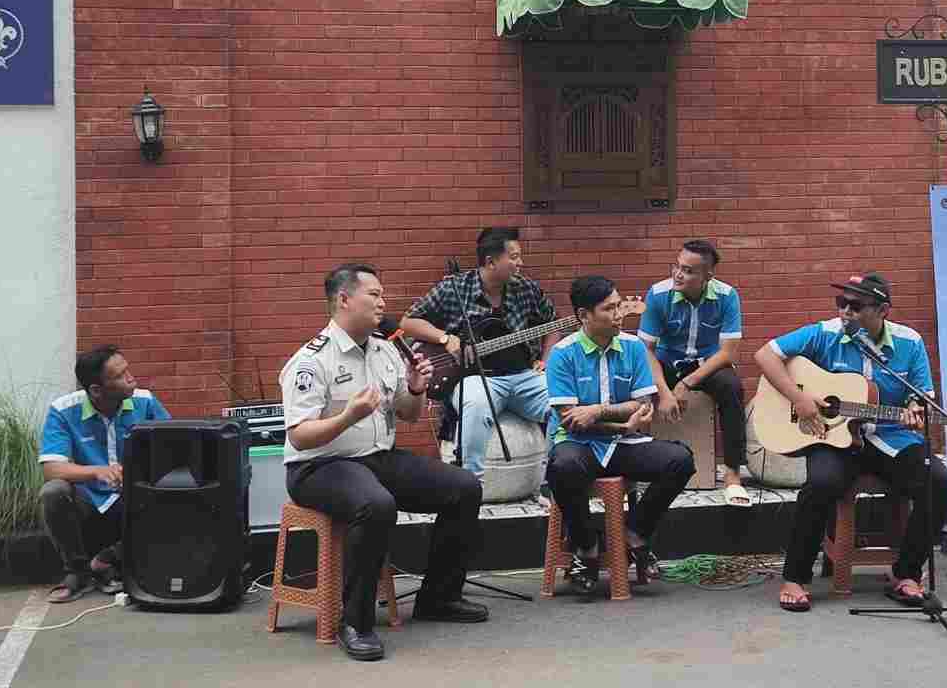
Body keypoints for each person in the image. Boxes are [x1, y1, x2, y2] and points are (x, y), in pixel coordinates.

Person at [284, 263, 489, 661]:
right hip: (319, 466)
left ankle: (439, 598)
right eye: (373, 295)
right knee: (376, 505)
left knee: (464, 487)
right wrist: (347, 417)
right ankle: (355, 622)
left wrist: (415, 387)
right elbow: (299, 435)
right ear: (344, 299)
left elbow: (409, 413)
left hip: (377, 459)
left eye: (382, 295)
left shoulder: (385, 350)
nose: (383, 302)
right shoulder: (312, 360)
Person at [753, 272, 947, 613]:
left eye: (856, 305)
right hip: (834, 438)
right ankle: (796, 577)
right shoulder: (825, 332)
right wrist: (799, 399)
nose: (845, 311)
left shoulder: (909, 342)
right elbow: (765, 355)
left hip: (891, 437)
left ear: (883, 311)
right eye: (841, 302)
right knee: (822, 483)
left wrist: (914, 411)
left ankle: (906, 574)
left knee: (939, 482)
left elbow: (921, 400)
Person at [544, 275, 695, 594]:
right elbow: (571, 421)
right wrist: (621, 421)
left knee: (680, 460)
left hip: (624, 444)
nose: (618, 315)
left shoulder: (633, 346)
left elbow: (641, 404)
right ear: (583, 316)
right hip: (579, 446)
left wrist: (597, 412)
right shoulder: (562, 353)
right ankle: (586, 548)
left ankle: (634, 534)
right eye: (609, 308)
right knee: (562, 467)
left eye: (619, 306)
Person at [399, 227, 561, 475]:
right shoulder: (454, 288)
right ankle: (471, 484)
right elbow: (408, 322)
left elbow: (553, 325)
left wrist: (546, 361)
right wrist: (445, 338)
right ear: (491, 261)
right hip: (473, 377)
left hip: (522, 375)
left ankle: (548, 481)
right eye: (514, 256)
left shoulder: (526, 288)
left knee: (563, 402)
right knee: (474, 405)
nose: (521, 263)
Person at [37, 345, 170, 603]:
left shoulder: (146, 402)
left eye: (128, 370)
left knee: (182, 492)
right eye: (120, 376)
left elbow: (175, 447)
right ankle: (77, 572)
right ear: (96, 390)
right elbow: (51, 468)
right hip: (91, 502)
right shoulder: (64, 410)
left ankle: (108, 559)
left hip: (136, 499)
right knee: (53, 492)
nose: (131, 378)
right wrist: (96, 471)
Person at [638, 238, 751, 507]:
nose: (678, 274)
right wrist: (665, 392)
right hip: (666, 361)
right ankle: (636, 471)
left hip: (706, 364)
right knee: (637, 386)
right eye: (676, 266)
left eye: (688, 270)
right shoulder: (658, 294)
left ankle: (733, 476)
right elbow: (646, 351)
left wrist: (687, 383)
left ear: (707, 276)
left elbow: (728, 353)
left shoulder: (726, 296)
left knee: (731, 387)